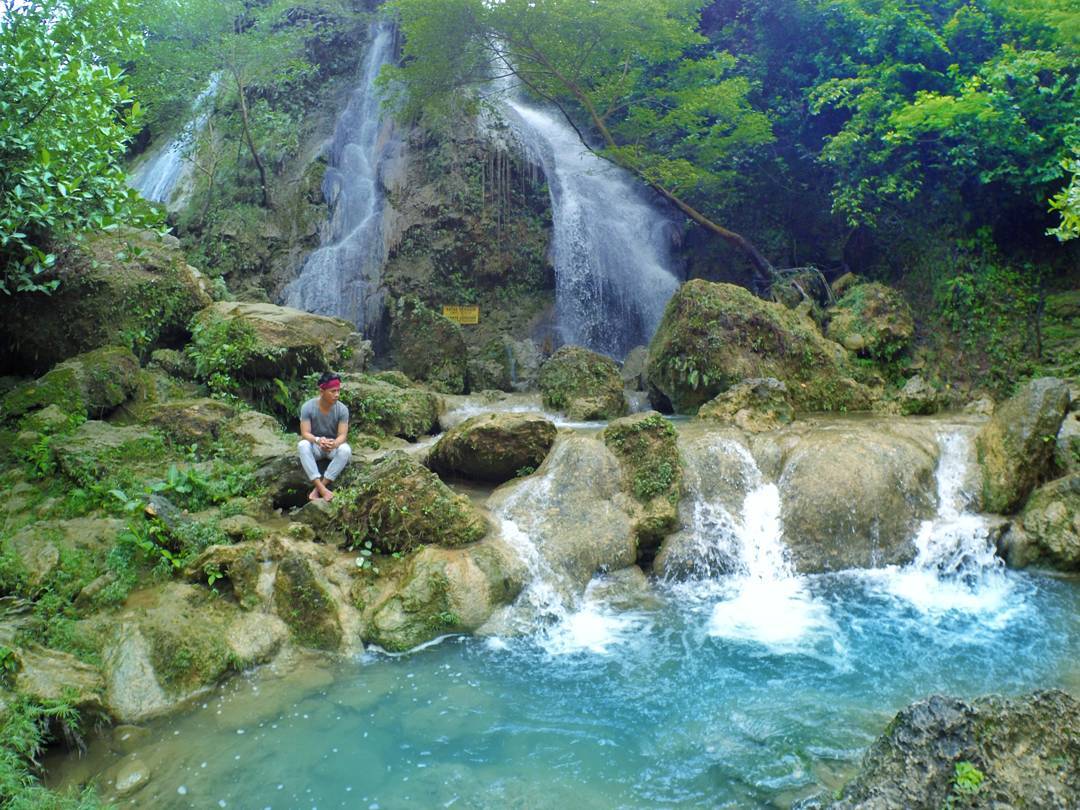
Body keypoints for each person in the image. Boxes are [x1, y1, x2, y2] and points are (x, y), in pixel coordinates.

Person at [298, 372, 351, 501]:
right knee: (302, 445)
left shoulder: (342, 410)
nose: (337, 395)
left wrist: (335, 444)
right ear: (322, 391)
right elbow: (305, 433)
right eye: (333, 391)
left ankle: (318, 489)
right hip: (316, 446)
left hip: (332, 447)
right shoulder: (308, 407)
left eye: (338, 391)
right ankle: (321, 489)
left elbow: (342, 435)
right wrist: (317, 440)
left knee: (346, 450)